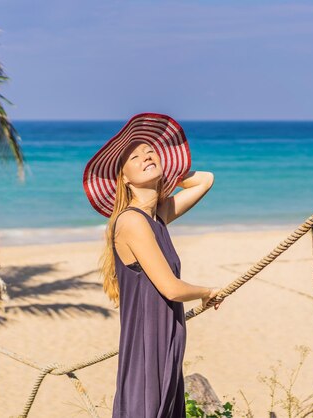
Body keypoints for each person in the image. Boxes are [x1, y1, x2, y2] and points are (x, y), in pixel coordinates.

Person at [82, 113, 224, 418]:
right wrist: (206, 291)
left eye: (151, 153)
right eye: (135, 157)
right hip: (148, 347)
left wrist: (168, 170)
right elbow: (171, 289)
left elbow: (206, 180)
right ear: (124, 178)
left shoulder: (158, 216)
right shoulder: (132, 221)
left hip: (166, 343)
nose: (146, 156)